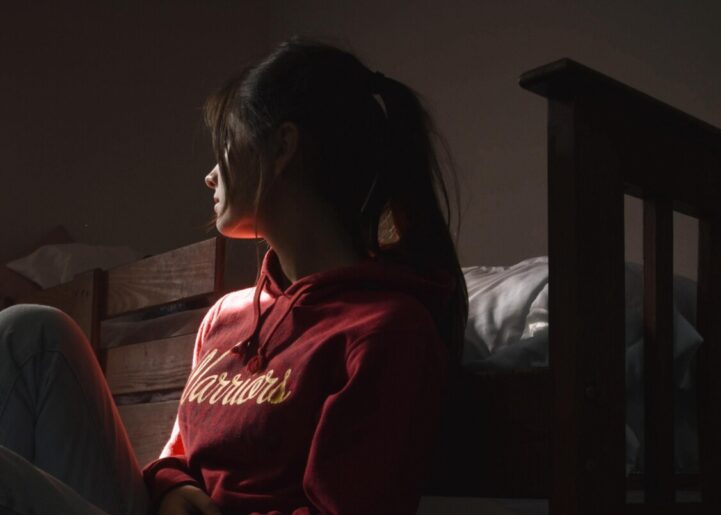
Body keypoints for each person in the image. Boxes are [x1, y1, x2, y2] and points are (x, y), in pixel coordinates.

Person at [0, 36, 467, 515]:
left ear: (283, 146)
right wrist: (172, 486)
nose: (209, 175)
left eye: (226, 144)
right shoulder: (226, 316)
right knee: (30, 332)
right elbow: (177, 454)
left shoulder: (385, 331)